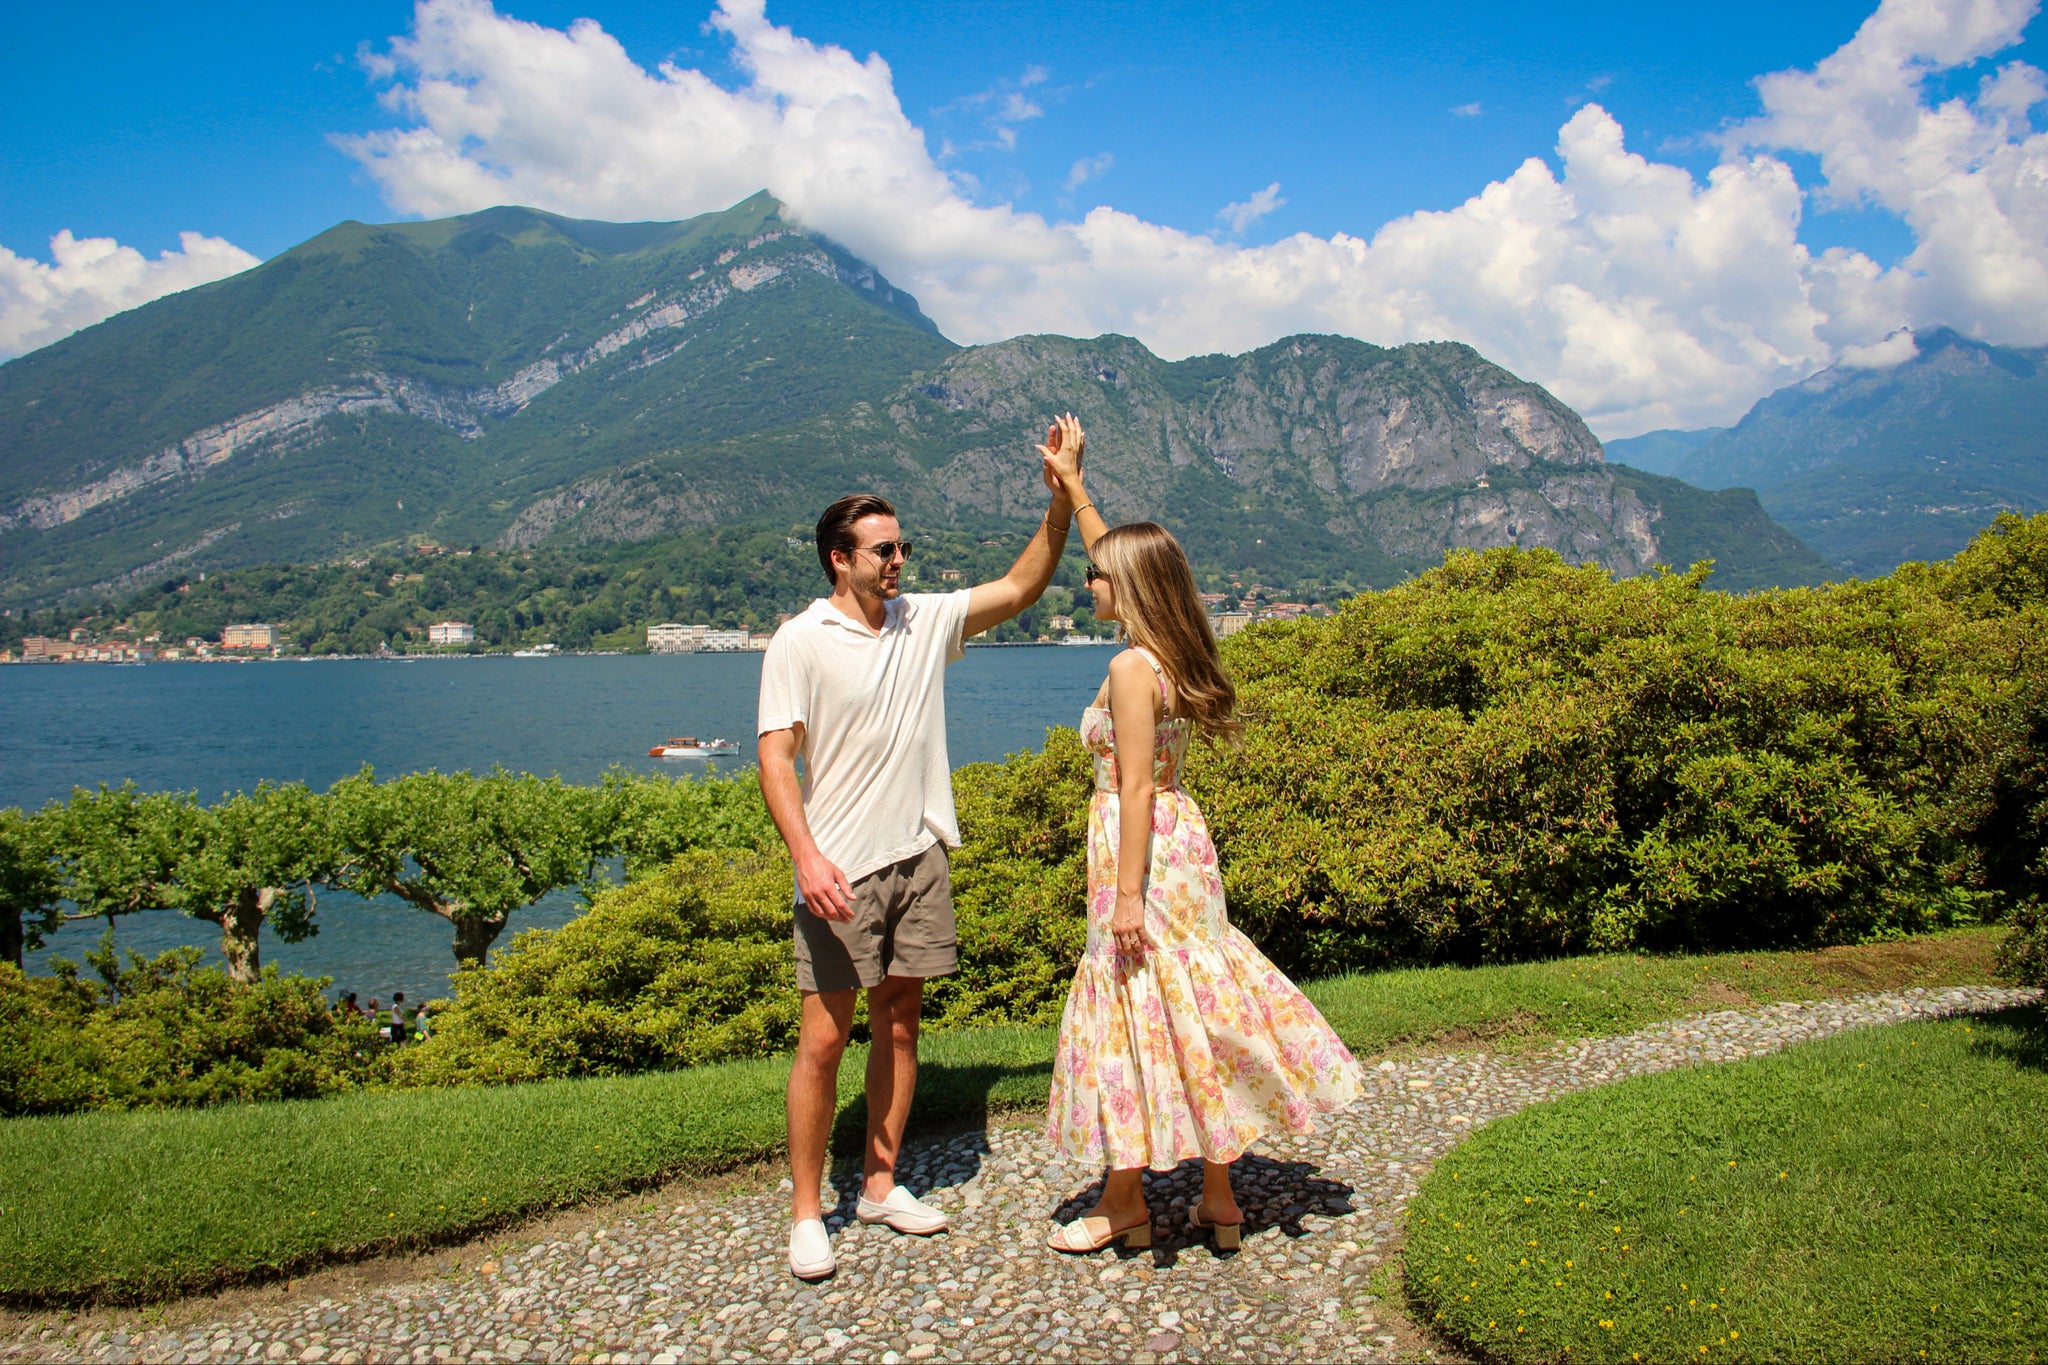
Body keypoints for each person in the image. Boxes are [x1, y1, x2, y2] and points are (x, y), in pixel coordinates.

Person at [760, 417, 1087, 1279]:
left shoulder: (924, 621)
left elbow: (1020, 587)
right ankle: (806, 1211)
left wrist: (1058, 498)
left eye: (901, 546)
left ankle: (877, 1182)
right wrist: (806, 856)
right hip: (838, 870)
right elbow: (776, 757)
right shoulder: (799, 640)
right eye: (881, 550)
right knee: (823, 1041)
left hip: (919, 857)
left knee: (899, 1027)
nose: (897, 560)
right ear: (840, 557)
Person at [1038, 492, 1364, 1255]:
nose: (1087, 582)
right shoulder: (1173, 655)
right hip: (1184, 846)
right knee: (1195, 1002)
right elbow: (1130, 558)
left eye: (1096, 575)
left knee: (1131, 1002)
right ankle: (1219, 1198)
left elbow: (1136, 785)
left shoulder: (1127, 665)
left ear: (1128, 585)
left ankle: (1124, 1202)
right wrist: (1077, 491)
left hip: (1139, 847)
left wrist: (1124, 897)